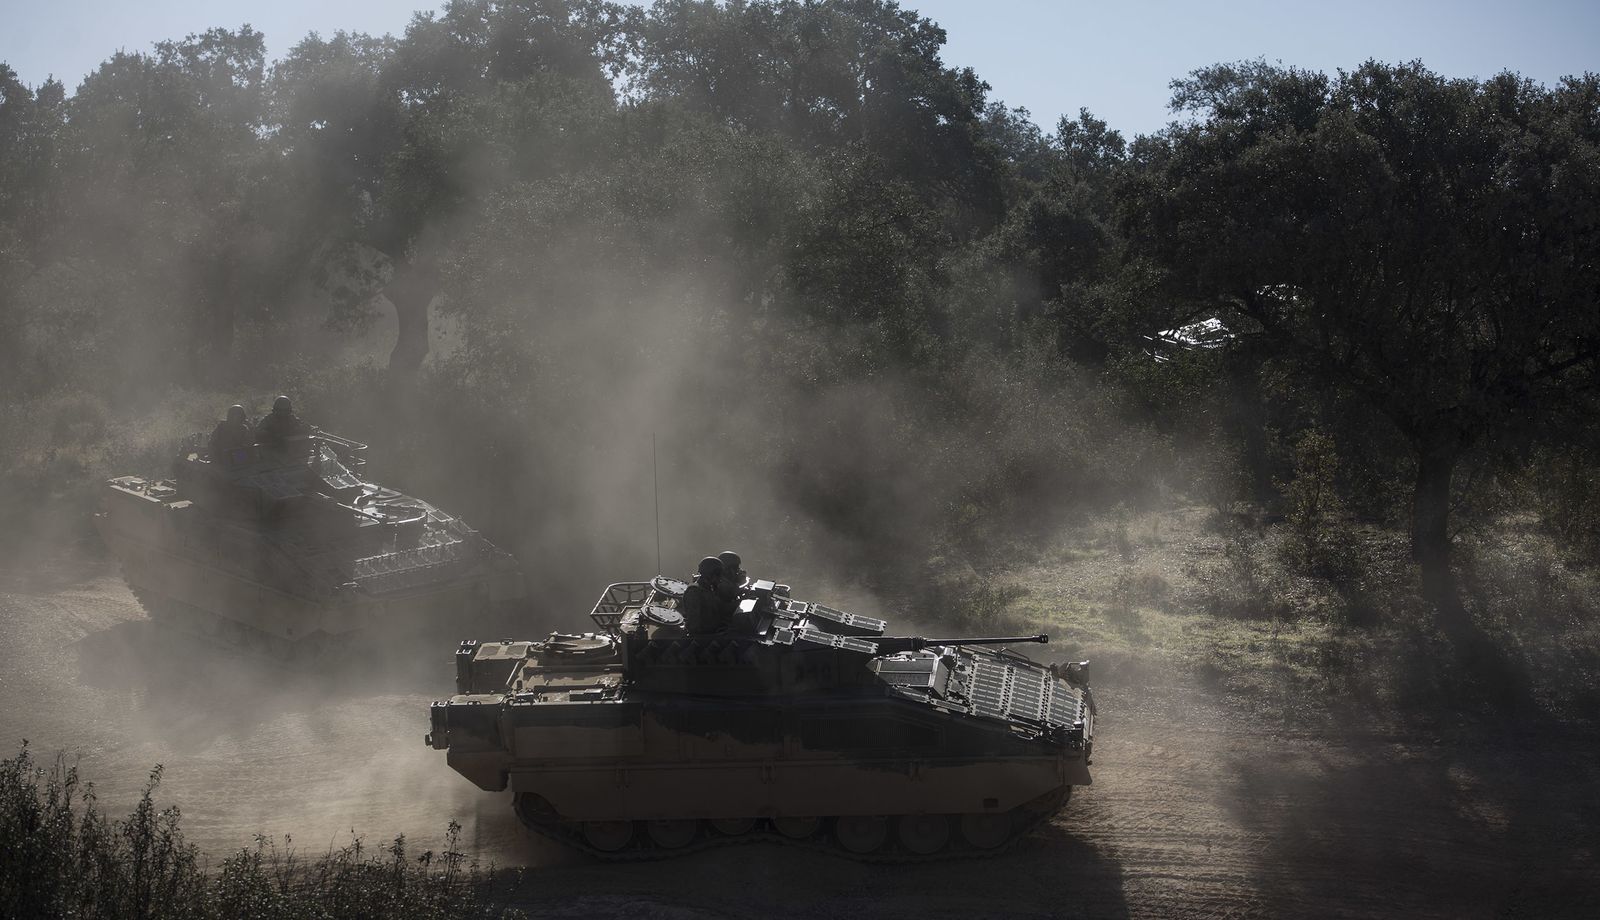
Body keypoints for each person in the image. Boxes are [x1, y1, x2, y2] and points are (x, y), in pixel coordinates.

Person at [679, 556, 735, 635]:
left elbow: (721, 607)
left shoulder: (708, 589)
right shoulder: (694, 592)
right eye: (718, 575)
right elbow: (694, 625)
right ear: (709, 574)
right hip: (703, 638)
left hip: (713, 632)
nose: (720, 579)